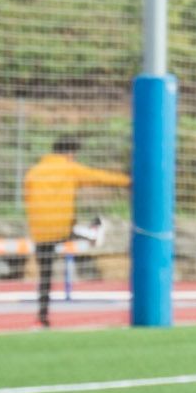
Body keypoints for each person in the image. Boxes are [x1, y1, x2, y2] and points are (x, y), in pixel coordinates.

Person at [20, 138, 122, 327]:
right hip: (61, 226)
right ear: (69, 153)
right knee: (70, 232)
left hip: (40, 230)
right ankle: (92, 232)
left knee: (45, 275)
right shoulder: (69, 169)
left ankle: (42, 316)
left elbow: (26, 197)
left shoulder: (33, 172)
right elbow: (98, 177)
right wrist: (128, 181)